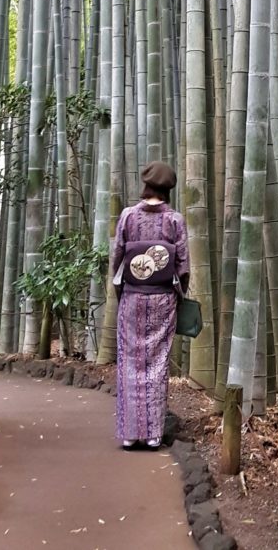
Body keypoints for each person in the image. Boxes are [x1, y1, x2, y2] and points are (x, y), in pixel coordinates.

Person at [112, 161, 189, 450]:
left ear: (145, 186)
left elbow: (118, 258)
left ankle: (131, 434)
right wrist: (179, 295)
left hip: (132, 296)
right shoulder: (175, 221)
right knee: (156, 364)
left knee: (130, 362)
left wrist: (122, 289)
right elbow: (182, 267)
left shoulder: (128, 216)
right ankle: (154, 434)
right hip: (162, 300)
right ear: (168, 189)